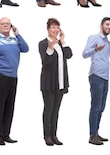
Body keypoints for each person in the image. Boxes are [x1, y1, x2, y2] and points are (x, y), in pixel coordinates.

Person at [0, 17, 29, 145]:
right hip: (0, 76)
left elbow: (25, 48)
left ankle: (6, 134)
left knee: (9, 106)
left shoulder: (15, 40)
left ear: (11, 25)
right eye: (3, 24)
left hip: (13, 77)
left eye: (7, 24)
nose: (5, 25)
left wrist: (17, 34)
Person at [82, 17, 110, 145]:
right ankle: (92, 135)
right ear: (101, 26)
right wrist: (95, 50)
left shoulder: (108, 43)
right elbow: (84, 54)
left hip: (106, 77)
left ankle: (96, 132)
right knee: (96, 106)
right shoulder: (94, 38)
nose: (109, 27)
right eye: (107, 24)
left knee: (101, 107)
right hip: (96, 75)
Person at [38, 18, 72, 146]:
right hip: (48, 83)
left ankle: (54, 135)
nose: (55, 30)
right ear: (48, 29)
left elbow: (69, 55)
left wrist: (63, 41)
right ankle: (47, 135)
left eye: (57, 27)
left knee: (56, 110)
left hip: (60, 82)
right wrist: (50, 48)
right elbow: (45, 61)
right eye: (53, 27)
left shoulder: (60, 43)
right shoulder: (43, 43)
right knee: (48, 109)